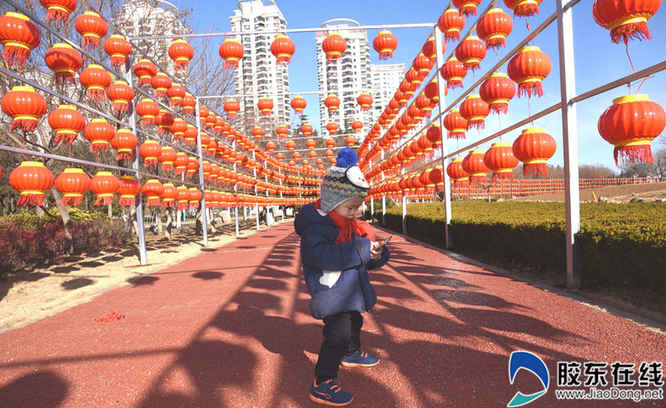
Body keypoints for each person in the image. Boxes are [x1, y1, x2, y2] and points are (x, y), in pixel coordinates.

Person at [294, 147, 390, 406]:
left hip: (348, 290)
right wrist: (360, 250)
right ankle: (322, 381)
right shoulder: (315, 229)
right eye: (351, 207)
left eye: (358, 207)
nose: (356, 213)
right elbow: (321, 257)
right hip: (331, 292)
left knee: (355, 322)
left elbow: (358, 257)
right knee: (336, 335)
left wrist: (375, 254)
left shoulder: (348, 224)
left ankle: (351, 353)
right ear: (332, 203)